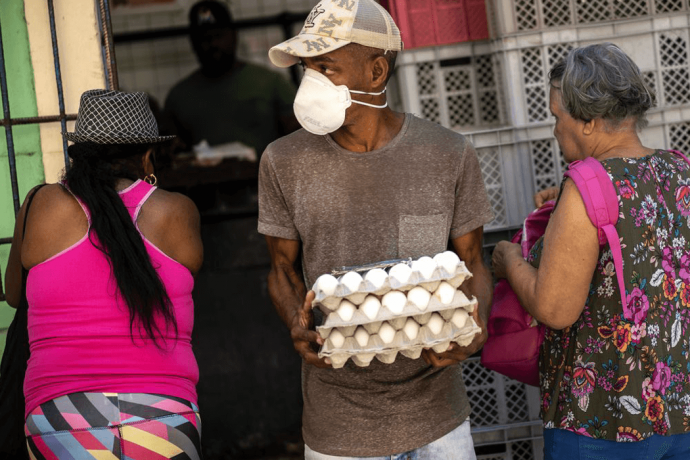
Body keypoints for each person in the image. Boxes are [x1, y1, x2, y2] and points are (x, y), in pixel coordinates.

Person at [258, 1, 495, 458]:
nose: (311, 82)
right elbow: (281, 269)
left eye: (326, 67)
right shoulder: (283, 161)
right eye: (308, 68)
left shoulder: (446, 153)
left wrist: (476, 324)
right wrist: (296, 321)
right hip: (339, 424)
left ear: (376, 71)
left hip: (437, 420)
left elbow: (472, 262)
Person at [492, 43, 690, 460]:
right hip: (680, 411)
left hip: (602, 423)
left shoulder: (586, 184)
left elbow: (555, 308)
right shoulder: (679, 169)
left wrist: (509, 262)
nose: (554, 129)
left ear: (588, 121)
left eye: (556, 116)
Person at [4, 90, 203, 458]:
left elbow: (15, 295)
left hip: (59, 417)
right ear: (147, 156)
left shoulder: (39, 204)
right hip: (163, 415)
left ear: (78, 154)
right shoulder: (176, 211)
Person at [165, 0, 299, 156]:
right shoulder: (179, 98)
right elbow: (171, 153)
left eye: (219, 36)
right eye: (205, 38)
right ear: (193, 43)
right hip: (203, 172)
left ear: (234, 36)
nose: (213, 44)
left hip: (264, 170)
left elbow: (298, 137)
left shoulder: (271, 83)